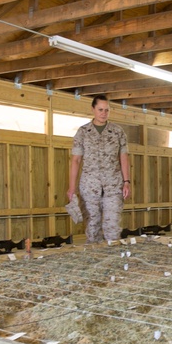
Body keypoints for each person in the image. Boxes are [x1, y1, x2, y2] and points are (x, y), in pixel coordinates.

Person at [67, 95, 130, 243]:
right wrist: (71, 188)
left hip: (113, 185)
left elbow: (124, 158)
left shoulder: (117, 132)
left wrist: (127, 181)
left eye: (106, 110)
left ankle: (113, 261)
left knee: (112, 227)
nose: (103, 113)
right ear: (93, 109)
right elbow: (76, 160)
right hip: (89, 186)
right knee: (92, 227)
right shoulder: (83, 132)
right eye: (100, 110)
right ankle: (95, 261)